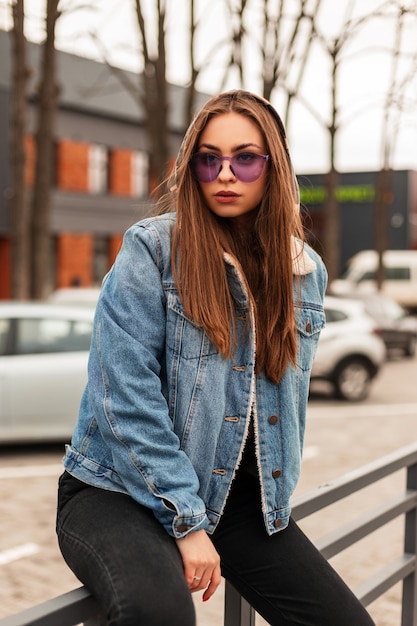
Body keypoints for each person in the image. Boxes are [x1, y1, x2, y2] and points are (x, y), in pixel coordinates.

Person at [56, 89, 375, 626]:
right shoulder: (152, 250)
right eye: (210, 159)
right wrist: (187, 521)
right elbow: (125, 400)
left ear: (274, 169)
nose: (226, 174)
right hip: (115, 492)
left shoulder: (305, 273)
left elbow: (283, 406)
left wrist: (261, 506)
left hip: (236, 504)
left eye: (245, 158)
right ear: (193, 168)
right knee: (158, 614)